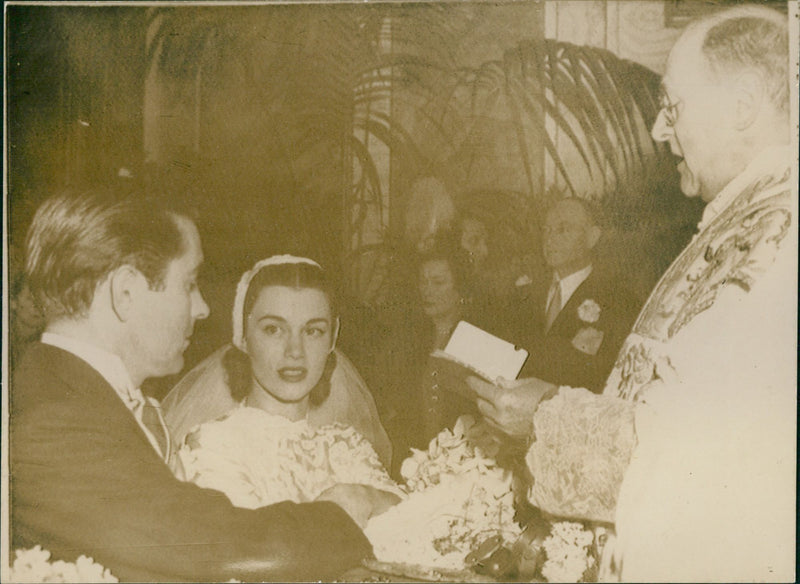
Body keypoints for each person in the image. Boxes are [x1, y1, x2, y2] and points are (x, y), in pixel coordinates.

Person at [468, 5, 795, 580]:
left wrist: (549, 415)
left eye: (673, 106)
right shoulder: (744, 217)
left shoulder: (780, 238)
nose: (658, 130)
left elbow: (719, 455)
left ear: (743, 105)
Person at [9, 190, 382, 582]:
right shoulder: (54, 417)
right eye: (189, 284)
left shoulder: (74, 392)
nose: (202, 307)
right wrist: (346, 511)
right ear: (125, 293)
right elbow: (207, 542)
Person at [172, 256, 403, 512]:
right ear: (243, 335)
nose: (295, 351)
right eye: (273, 329)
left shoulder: (349, 446)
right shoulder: (213, 446)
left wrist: (367, 498)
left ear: (333, 337)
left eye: (313, 331)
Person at [509, 197, 640, 392]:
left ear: (592, 237)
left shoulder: (618, 301)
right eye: (546, 230)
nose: (550, 238)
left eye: (563, 229)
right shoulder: (524, 292)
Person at [372, 242, 480, 473]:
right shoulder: (410, 338)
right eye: (423, 281)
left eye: (438, 282)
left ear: (460, 288)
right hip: (414, 462)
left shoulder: (477, 339)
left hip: (466, 464)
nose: (427, 290)